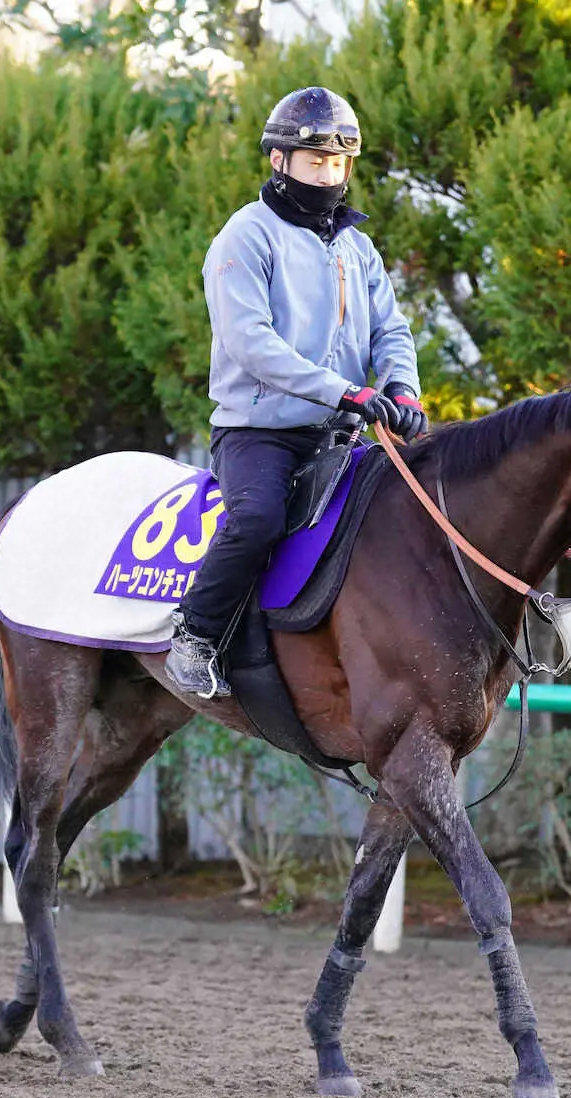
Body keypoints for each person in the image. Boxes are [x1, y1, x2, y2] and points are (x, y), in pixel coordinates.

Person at [165, 86, 428, 699]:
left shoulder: (357, 246)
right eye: (314, 163)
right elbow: (251, 343)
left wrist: (404, 390)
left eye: (337, 165)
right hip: (259, 432)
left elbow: (392, 328)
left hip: (342, 429)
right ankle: (194, 637)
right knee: (257, 520)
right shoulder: (243, 237)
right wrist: (344, 392)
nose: (328, 176)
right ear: (279, 161)